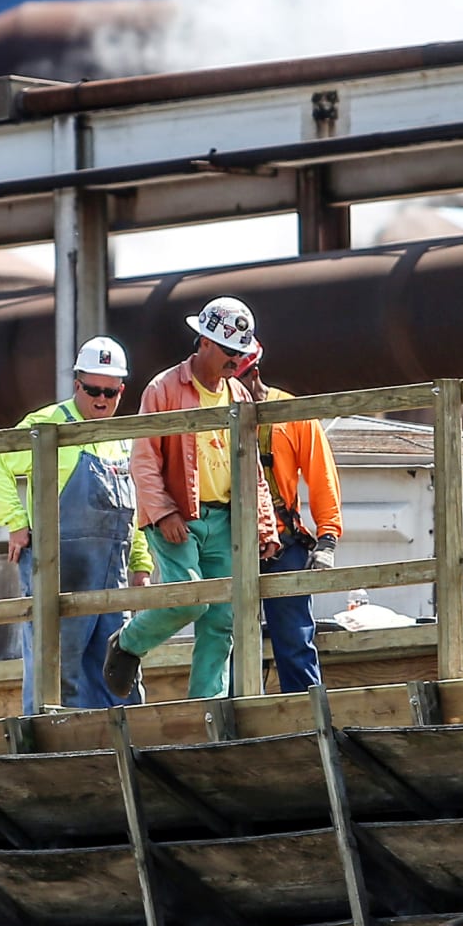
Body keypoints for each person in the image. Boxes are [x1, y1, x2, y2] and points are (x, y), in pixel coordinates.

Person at [104, 296, 280, 701]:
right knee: (189, 598)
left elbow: (252, 468)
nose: (235, 360)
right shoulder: (164, 388)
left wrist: (265, 525)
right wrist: (163, 512)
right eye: (228, 351)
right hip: (176, 515)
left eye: (240, 353)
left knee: (222, 618)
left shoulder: (239, 395)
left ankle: (208, 708)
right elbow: (144, 458)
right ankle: (129, 643)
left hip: (224, 519)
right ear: (203, 342)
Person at [0, 336, 155, 712]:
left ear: (121, 391)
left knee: (118, 665)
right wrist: (15, 522)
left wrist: (141, 562)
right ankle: (50, 746)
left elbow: (134, 506)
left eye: (111, 392)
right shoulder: (47, 426)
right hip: (61, 572)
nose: (101, 399)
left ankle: (121, 744)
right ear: (77, 384)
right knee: (58, 667)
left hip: (113, 576)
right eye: (93, 389)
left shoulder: (119, 440)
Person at [231, 342, 341, 693]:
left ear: (252, 374)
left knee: (294, 642)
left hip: (283, 544)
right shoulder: (215, 413)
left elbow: (320, 474)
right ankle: (235, 730)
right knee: (230, 645)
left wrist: (327, 537)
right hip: (229, 544)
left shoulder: (291, 413)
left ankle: (309, 724)